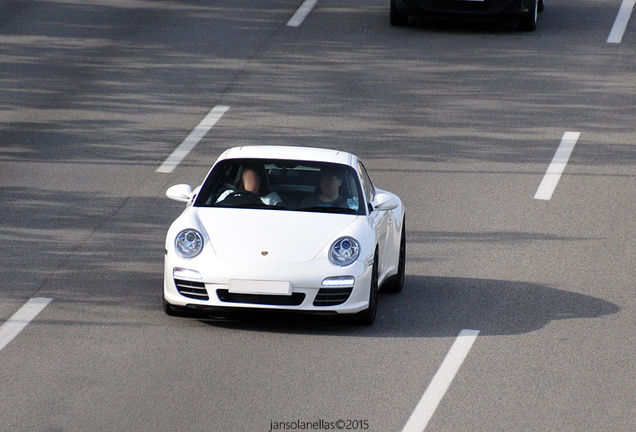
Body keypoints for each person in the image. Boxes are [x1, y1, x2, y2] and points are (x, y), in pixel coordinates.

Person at [216, 164, 282, 206]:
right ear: (242, 180)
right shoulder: (228, 194)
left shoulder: (272, 198)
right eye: (248, 177)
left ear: (261, 179)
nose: (251, 180)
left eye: (255, 177)